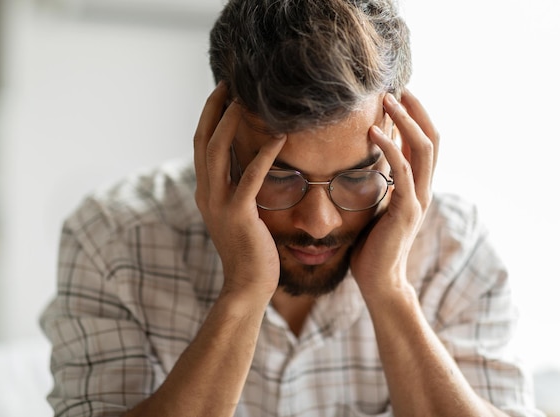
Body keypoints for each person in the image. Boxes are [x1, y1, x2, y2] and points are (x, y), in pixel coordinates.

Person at [40, 0, 542, 416]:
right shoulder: (111, 236)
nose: (319, 223)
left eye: (358, 176)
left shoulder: (454, 246)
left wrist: (390, 291)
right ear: (217, 140)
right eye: (278, 177)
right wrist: (242, 294)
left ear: (401, 142)